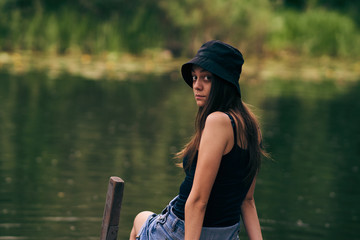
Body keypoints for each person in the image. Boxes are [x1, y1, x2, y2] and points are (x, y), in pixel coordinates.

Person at [129, 40, 267, 240]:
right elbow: (247, 200)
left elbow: (198, 202)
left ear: (224, 82)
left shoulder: (217, 122)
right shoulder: (253, 127)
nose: (197, 85)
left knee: (140, 219)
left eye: (207, 78)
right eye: (195, 77)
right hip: (226, 234)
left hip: (183, 231)